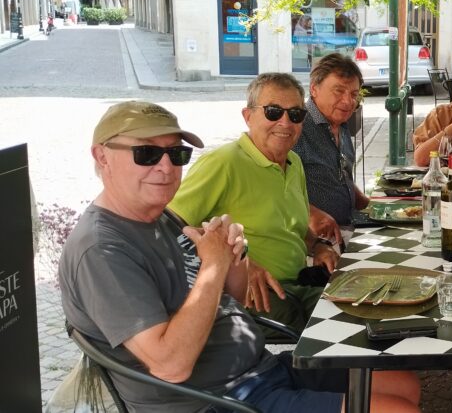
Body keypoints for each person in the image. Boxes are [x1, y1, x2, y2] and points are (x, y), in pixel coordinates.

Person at [60, 101, 420, 412]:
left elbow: (230, 298)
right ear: (102, 156)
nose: (166, 168)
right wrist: (213, 265)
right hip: (216, 400)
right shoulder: (101, 249)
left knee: (401, 383)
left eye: (176, 154)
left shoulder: (161, 218)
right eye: (146, 154)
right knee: (395, 409)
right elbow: (171, 365)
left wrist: (234, 258)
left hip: (258, 370)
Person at [168, 73, 339, 335]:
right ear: (248, 116)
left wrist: (318, 245)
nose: (285, 122)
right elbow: (169, 226)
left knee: (355, 308)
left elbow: (294, 226)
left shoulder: (293, 162)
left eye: (295, 114)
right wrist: (239, 265)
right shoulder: (223, 163)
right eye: (273, 112)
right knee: (330, 333)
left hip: (297, 284)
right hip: (253, 297)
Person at [294, 54, 370, 245]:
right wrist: (309, 213)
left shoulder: (340, 124)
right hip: (313, 242)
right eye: (339, 91)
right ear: (314, 89)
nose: (348, 101)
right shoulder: (295, 127)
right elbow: (273, 184)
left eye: (353, 94)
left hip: (347, 231)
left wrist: (366, 202)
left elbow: (338, 175)